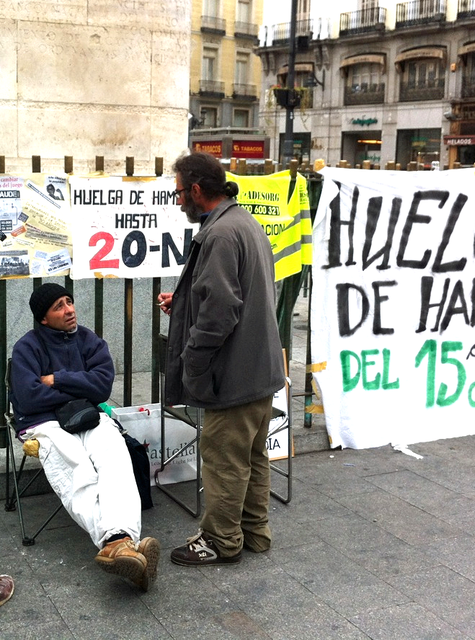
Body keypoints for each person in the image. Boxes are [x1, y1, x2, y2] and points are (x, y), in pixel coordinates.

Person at [158, 152, 285, 566]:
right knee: (251, 456)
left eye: (179, 192)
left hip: (235, 373)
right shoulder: (242, 222)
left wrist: (193, 359)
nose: (178, 202)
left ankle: (221, 540)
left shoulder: (219, 235)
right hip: (259, 369)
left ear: (196, 189)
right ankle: (254, 533)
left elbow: (220, 311)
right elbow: (230, 295)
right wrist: (182, 303)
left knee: (222, 458)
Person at [10, 283, 160, 590]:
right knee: (78, 467)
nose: (69, 309)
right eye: (58, 307)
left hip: (88, 415)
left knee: (115, 457)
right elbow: (28, 398)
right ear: (43, 319)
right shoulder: (26, 348)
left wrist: (58, 379)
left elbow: (101, 386)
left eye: (69, 302)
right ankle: (121, 543)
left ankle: (119, 546)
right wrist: (79, 386)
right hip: (44, 423)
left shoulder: (89, 340)